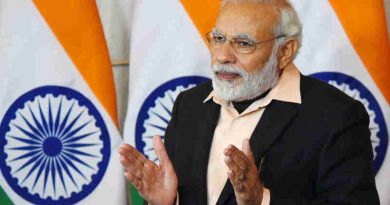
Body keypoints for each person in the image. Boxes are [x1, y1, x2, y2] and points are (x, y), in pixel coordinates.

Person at [119, 0, 380, 204]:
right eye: (218, 39)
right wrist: (167, 202)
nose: (222, 56)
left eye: (243, 43)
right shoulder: (190, 105)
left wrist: (263, 200)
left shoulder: (336, 115)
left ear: (284, 51)